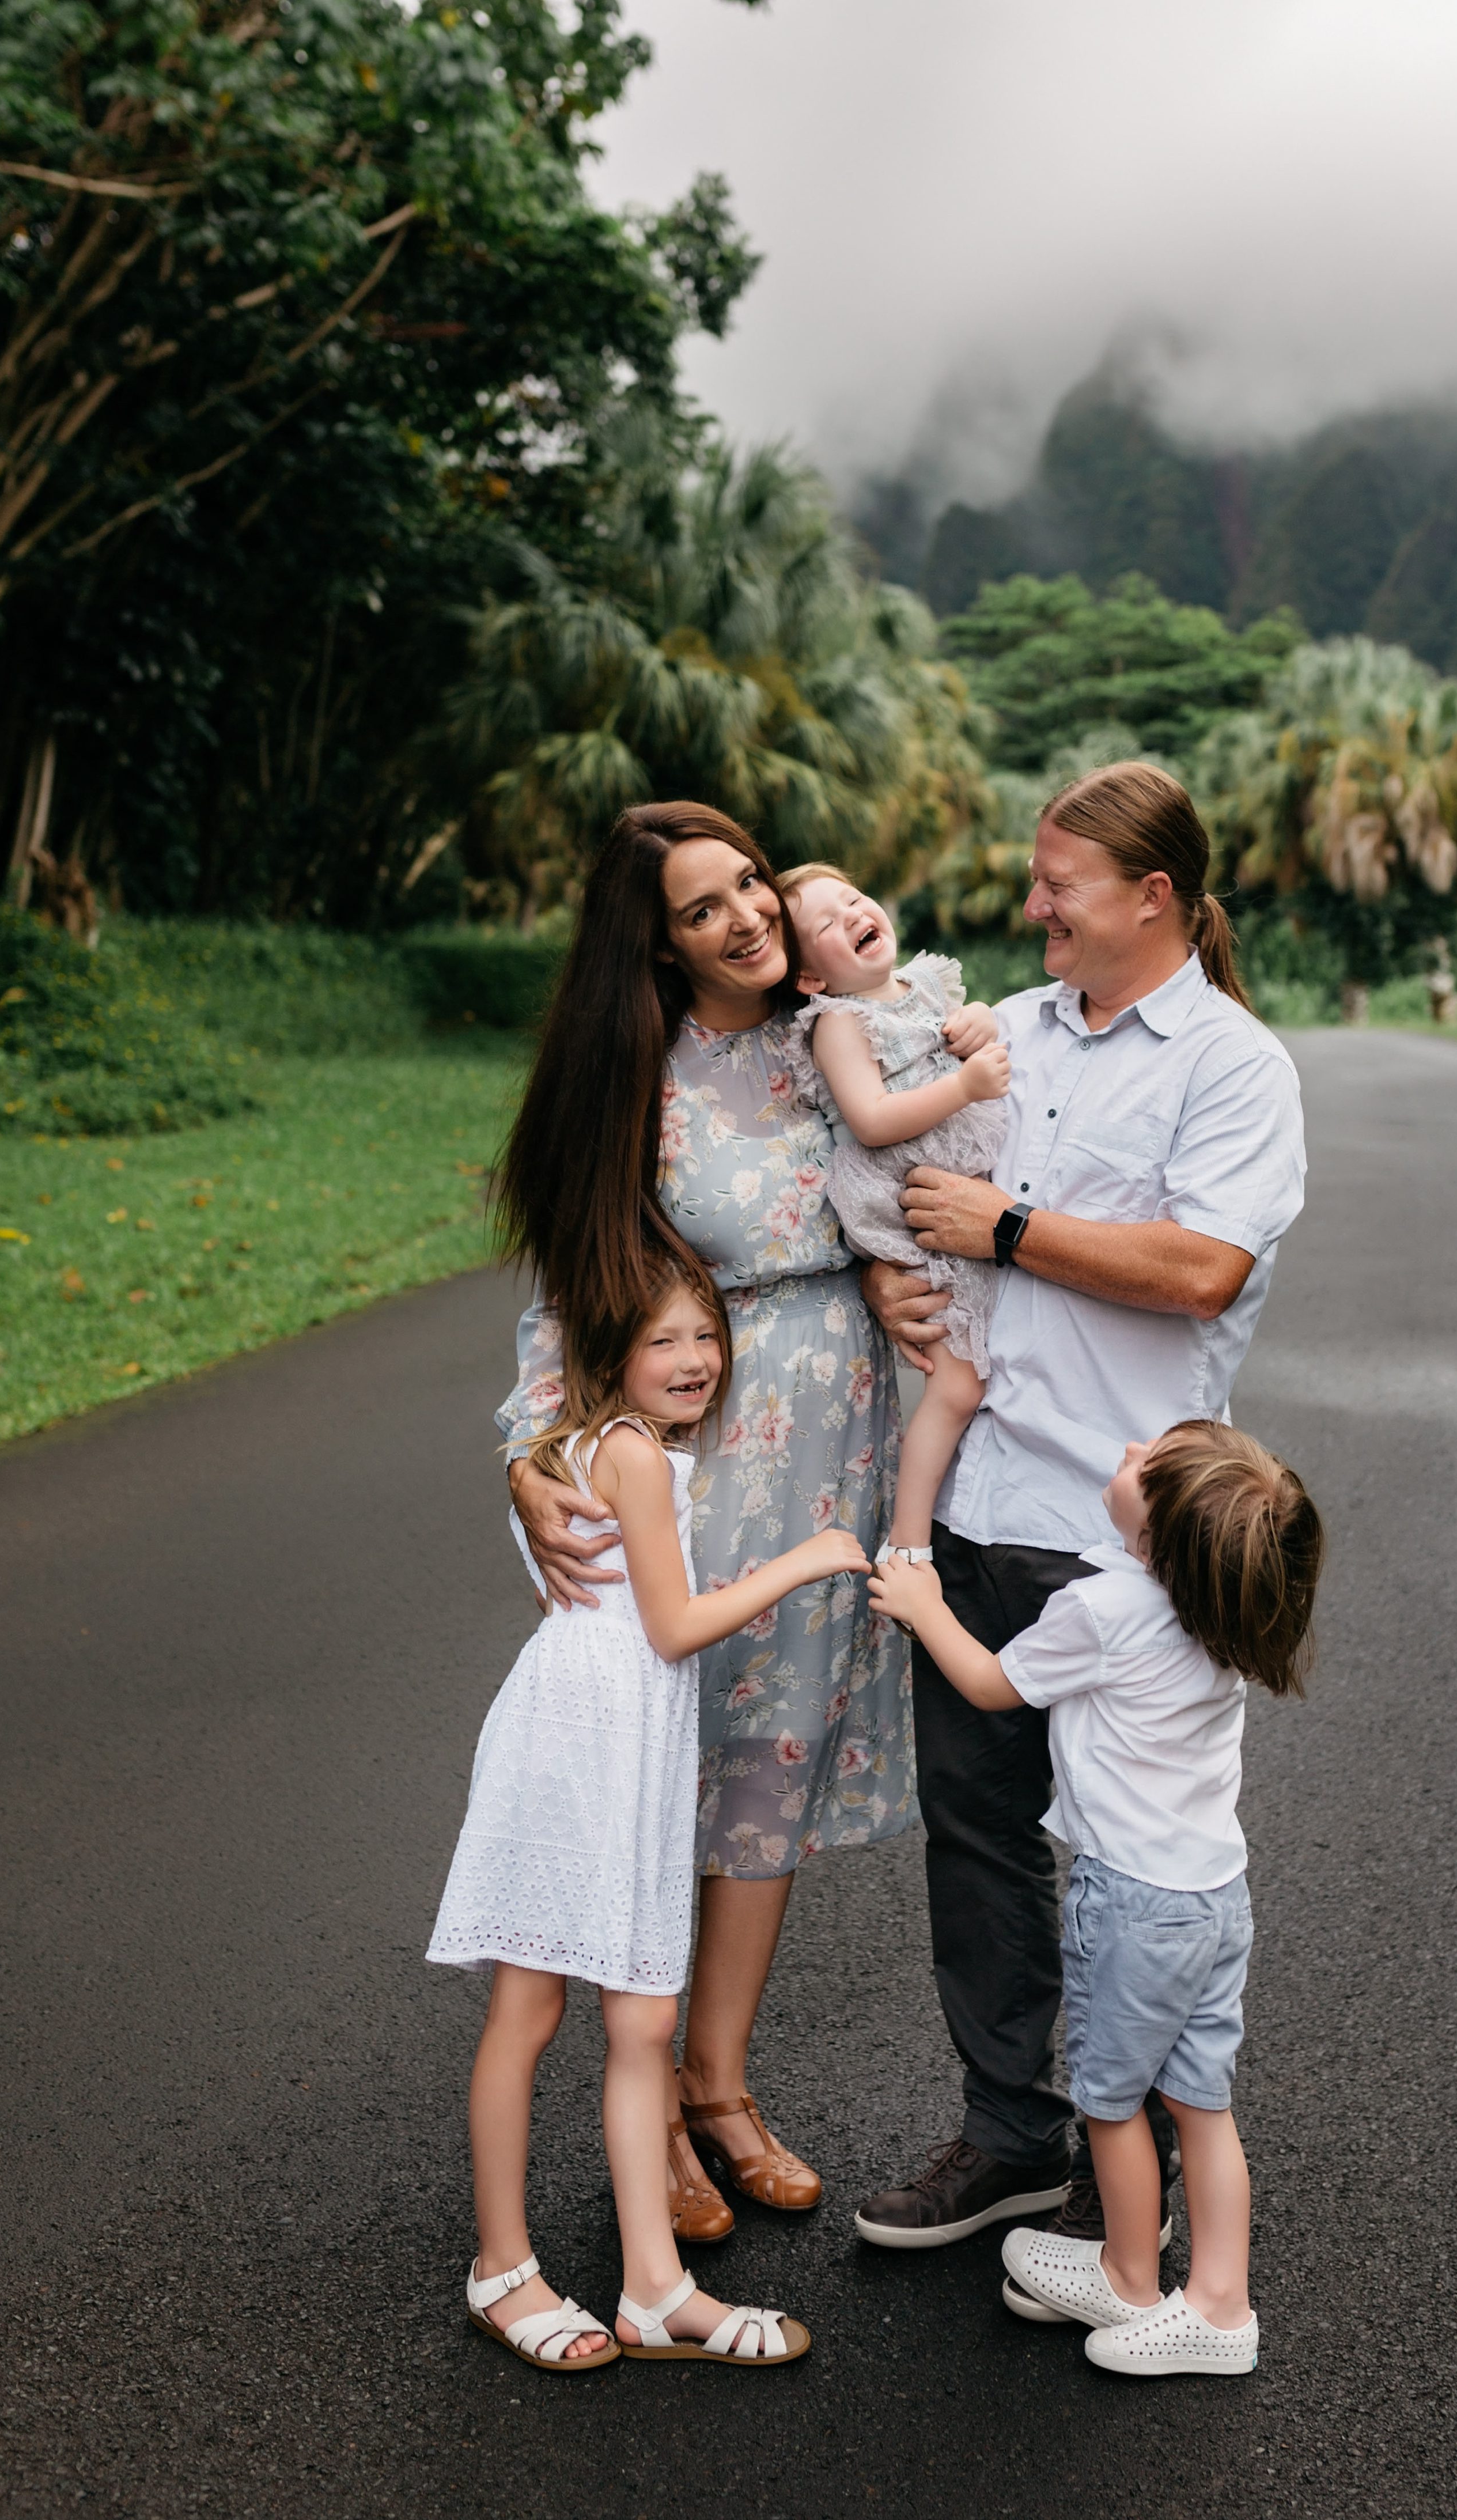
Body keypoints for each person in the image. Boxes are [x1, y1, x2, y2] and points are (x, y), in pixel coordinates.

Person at [853, 761, 1307, 2273]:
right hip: (971, 1497)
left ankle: (1153, 2170)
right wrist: (902, 1269)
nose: (1031, 902)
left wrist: (1013, 1232)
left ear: (1151, 898)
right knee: (976, 1838)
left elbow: (1202, 1270)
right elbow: (896, 1169)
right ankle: (1007, 2133)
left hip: (1121, 1525)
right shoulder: (1010, 1037)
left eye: (1060, 882)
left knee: (1131, 1859)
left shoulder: (1232, 1064)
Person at [493, 803, 959, 2241]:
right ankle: (646, 2089)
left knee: (767, 1779)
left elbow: (936, 1156)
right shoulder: (635, 1081)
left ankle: (717, 2082)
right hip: (702, 1465)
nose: (745, 916)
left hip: (842, 1449)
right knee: (667, 1767)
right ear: (656, 938)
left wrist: (890, 1273)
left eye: (750, 883)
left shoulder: (838, 1035)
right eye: (702, 907)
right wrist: (532, 1454)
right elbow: (569, 1296)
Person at [430, 1254, 866, 2366]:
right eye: (663, 1341)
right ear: (611, 1354)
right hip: (579, 1748)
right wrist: (808, 1557)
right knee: (527, 2015)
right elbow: (671, 1625)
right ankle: (503, 2269)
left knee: (641, 2024)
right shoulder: (627, 1452)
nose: (693, 1362)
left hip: (628, 1745)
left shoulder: (604, 1448)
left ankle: (654, 2288)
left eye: (706, 1338)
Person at [869, 1418, 1324, 2377]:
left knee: (1111, 2104)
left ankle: (1125, 2274)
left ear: (1156, 1537)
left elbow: (994, 1684)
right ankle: (1220, 2303)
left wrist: (923, 1602)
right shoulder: (1229, 1614)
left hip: (1131, 1905)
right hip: (1214, 1897)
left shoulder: (1105, 1609)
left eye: (1143, 1469)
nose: (1125, 1453)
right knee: (1202, 2104)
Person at [781, 862, 1011, 1556]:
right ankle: (909, 1541)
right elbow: (875, 1118)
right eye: (825, 923)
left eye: (852, 899)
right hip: (910, 1200)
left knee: (992, 1365)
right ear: (810, 978)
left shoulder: (929, 984)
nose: (851, 914)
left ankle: (968, 1512)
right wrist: (967, 1084)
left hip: (968, 1191)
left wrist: (979, 1021)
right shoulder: (837, 1022)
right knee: (959, 1384)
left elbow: (978, 1028)